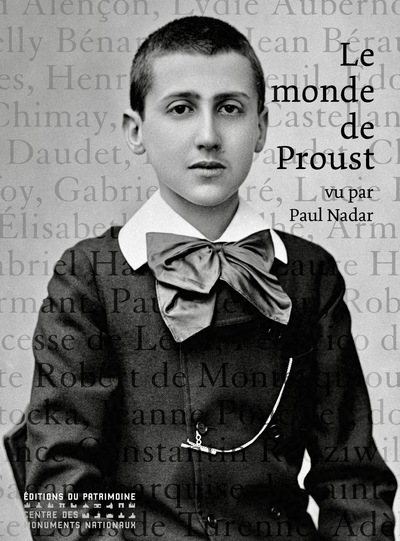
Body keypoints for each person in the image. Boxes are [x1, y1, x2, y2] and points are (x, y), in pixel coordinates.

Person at [8, 15, 396, 541]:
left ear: (261, 129)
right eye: (181, 108)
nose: (209, 136)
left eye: (230, 108)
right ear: (136, 131)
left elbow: (353, 478)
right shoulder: (89, 277)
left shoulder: (309, 274)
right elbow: (60, 487)